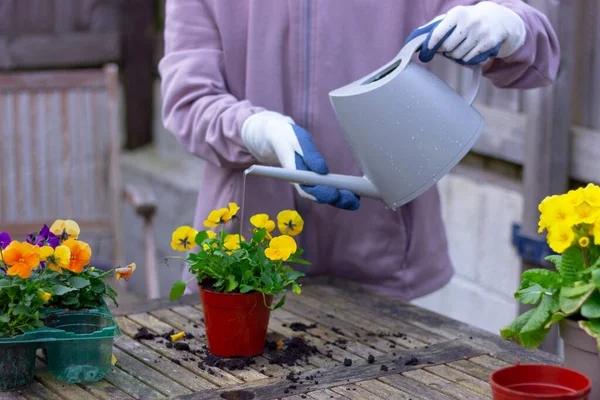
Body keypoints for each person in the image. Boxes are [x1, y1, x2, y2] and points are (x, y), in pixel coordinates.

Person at [159, 1, 559, 299]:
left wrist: (509, 26)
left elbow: (538, 53)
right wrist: (255, 131)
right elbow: (188, 100)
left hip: (383, 255)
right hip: (243, 259)